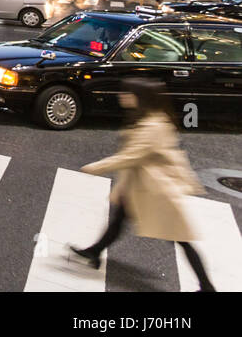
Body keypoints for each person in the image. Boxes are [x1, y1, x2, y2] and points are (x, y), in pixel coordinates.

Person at [71, 79, 215, 290]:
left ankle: (207, 287)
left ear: (138, 97)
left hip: (159, 192)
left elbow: (131, 156)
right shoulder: (146, 118)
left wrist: (95, 167)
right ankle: (94, 252)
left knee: (181, 239)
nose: (122, 96)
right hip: (142, 186)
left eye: (126, 93)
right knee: (119, 220)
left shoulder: (153, 126)